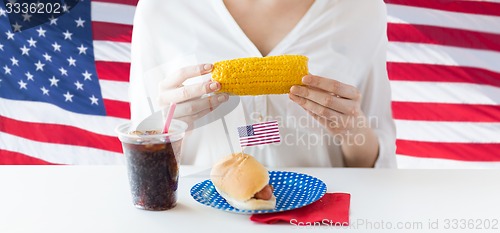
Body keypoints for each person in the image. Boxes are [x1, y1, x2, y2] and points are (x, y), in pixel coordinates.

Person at [129, 0, 397, 167]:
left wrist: (351, 129)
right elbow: (143, 159)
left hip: (319, 215)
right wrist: (166, 128)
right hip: (202, 216)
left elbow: (377, 165)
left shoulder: (362, 9)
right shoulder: (161, 8)